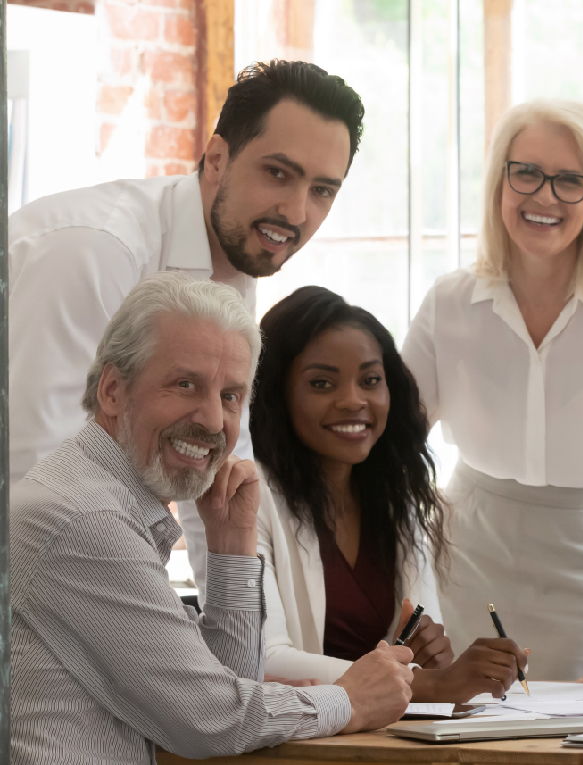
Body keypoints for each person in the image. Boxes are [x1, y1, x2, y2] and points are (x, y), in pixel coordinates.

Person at [10, 273, 414, 765]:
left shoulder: (101, 499)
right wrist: (350, 699)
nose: (211, 419)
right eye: (186, 384)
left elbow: (227, 693)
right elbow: (211, 721)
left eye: (230, 396)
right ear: (113, 390)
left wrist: (231, 546)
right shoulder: (85, 519)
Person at [9, 59, 365, 595]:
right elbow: (39, 482)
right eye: (278, 172)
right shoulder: (97, 250)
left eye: (322, 190)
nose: (295, 211)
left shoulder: (235, 273)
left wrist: (255, 647)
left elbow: (219, 477)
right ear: (217, 158)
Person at [402, 99, 583, 683]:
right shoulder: (448, 302)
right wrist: (408, 583)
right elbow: (389, 454)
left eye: (570, 181)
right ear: (499, 181)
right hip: (466, 556)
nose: (544, 197)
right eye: (525, 172)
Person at [252, 286, 527, 701]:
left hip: (383, 737)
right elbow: (263, 659)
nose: (353, 400)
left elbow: (423, 649)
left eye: (370, 380)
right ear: (277, 393)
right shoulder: (249, 493)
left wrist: (433, 658)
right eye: (322, 383)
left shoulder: (397, 496)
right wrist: (428, 683)